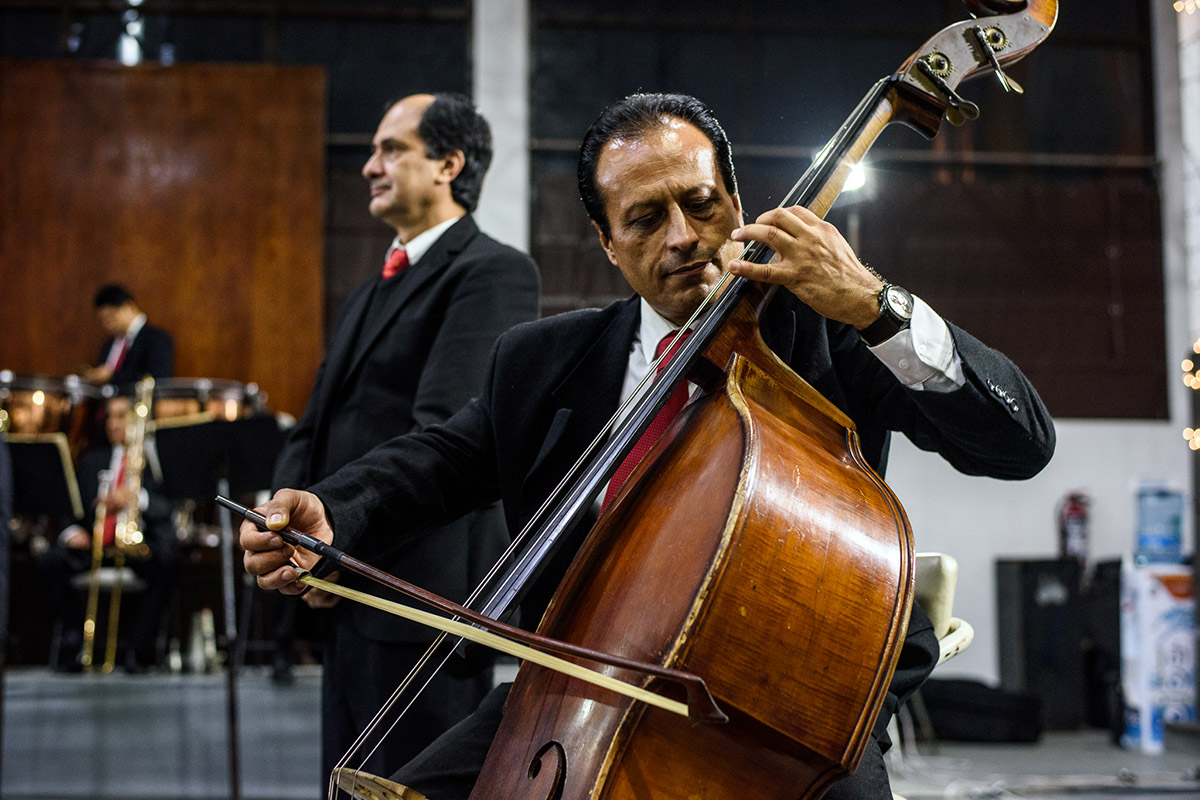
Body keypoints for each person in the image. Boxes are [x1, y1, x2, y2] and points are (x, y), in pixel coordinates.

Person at [243, 93, 1054, 798]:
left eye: (702, 204)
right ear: (605, 241)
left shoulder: (829, 335)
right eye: (644, 218)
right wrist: (336, 509)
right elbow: (443, 460)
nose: (684, 239)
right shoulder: (541, 361)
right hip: (576, 692)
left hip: (789, 710)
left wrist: (876, 305)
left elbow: (1020, 442)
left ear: (737, 199)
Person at [267, 92, 539, 780]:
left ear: (450, 163)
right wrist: (292, 533)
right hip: (343, 593)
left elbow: (447, 435)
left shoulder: (492, 272)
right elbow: (315, 423)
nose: (369, 166)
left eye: (391, 149)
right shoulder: (368, 290)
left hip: (417, 606)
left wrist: (339, 544)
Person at [37, 394, 179, 673]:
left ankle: (137, 651)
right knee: (49, 561)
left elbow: (168, 509)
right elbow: (72, 507)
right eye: (110, 417)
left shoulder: (152, 461)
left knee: (168, 562)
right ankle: (76, 643)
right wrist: (72, 532)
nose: (113, 424)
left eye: (121, 416)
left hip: (136, 548)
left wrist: (136, 497)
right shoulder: (93, 460)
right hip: (95, 545)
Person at [83, 284, 174, 388]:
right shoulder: (108, 344)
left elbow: (157, 379)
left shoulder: (157, 339)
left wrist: (112, 376)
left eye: (111, 316)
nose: (108, 323)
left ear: (128, 307)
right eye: (103, 319)